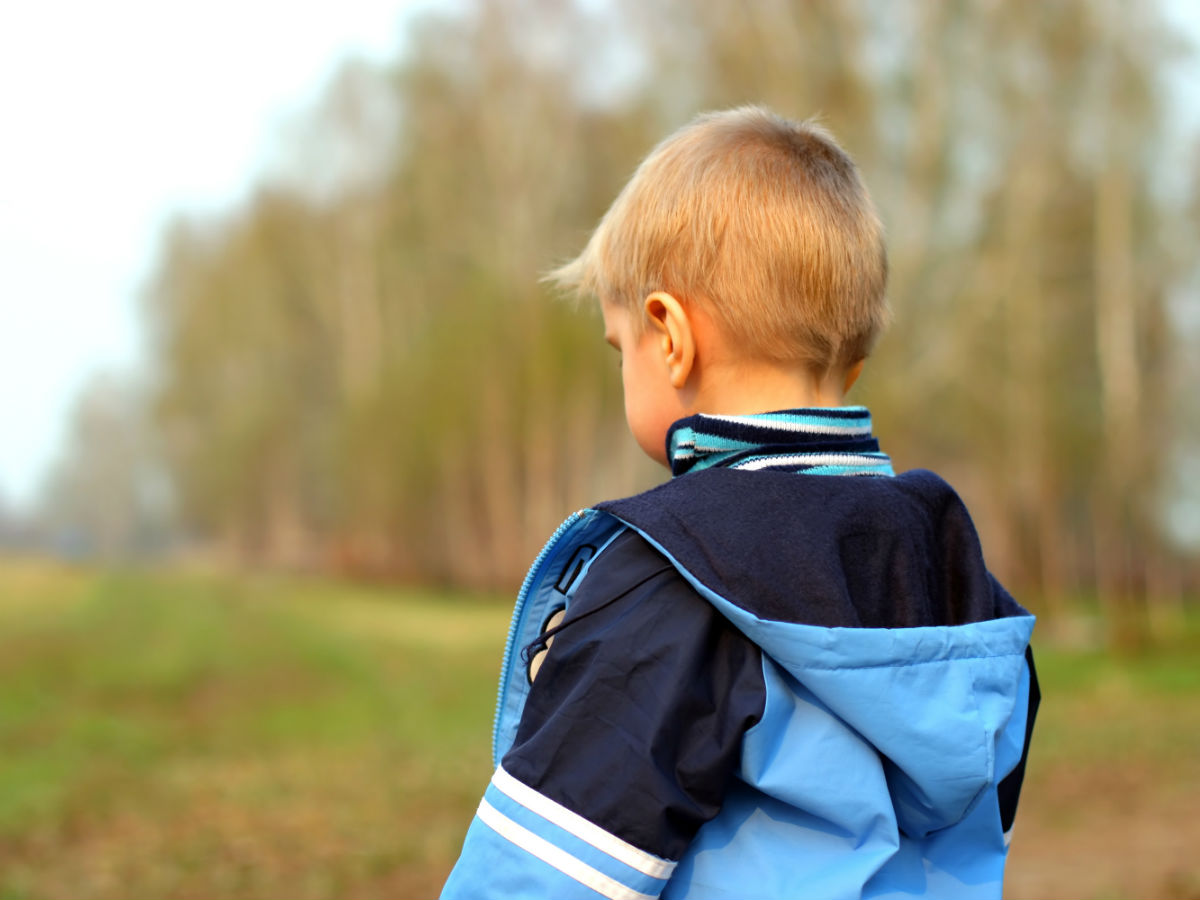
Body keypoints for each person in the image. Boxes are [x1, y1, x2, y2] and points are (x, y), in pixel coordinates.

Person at [440, 106, 1039, 900]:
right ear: (851, 369)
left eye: (620, 349)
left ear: (670, 335)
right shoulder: (953, 569)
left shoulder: (682, 574)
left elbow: (541, 879)